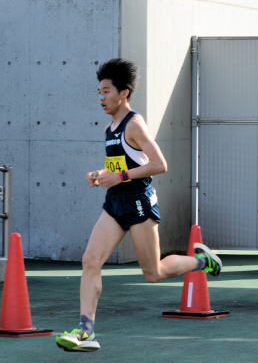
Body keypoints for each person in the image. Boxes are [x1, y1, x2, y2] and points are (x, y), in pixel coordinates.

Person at [55, 58, 222, 352]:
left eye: (106, 91)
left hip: (138, 203)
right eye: (99, 92)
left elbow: (159, 164)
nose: (101, 98)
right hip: (114, 203)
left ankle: (202, 261)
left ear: (124, 93)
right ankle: (85, 332)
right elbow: (122, 165)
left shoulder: (134, 124)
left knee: (153, 273)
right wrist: (100, 175)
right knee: (90, 260)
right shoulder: (110, 128)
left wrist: (119, 176)